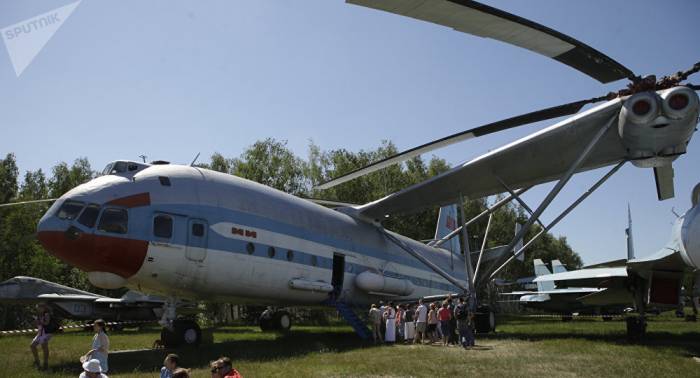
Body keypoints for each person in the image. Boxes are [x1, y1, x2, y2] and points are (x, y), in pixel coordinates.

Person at [30, 303, 55, 370]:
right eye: (37, 307)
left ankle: (45, 363)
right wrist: (36, 322)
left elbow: (46, 323)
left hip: (47, 333)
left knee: (44, 346)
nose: (37, 308)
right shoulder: (39, 315)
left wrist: (38, 321)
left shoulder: (46, 314)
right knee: (32, 346)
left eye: (39, 307)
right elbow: (39, 324)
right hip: (40, 333)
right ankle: (37, 361)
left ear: (43, 308)